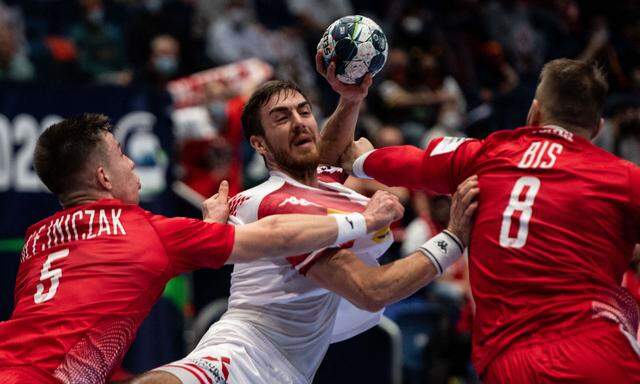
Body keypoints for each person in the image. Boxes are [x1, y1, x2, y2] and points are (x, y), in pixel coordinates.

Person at [131, 69, 478, 383]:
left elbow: (326, 155)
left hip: (291, 370)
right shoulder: (278, 203)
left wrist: (351, 99)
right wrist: (454, 238)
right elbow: (371, 290)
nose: (298, 122)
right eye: (281, 118)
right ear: (259, 145)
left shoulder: (318, 186)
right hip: (244, 353)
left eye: (304, 112)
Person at [0, 113, 402, 384]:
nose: (133, 165)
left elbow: (74, 319)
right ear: (104, 177)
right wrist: (363, 221)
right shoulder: (145, 230)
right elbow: (274, 234)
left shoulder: (36, 240)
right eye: (123, 155)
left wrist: (209, 229)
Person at [338, 58, 640, 382]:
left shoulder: (487, 155)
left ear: (534, 112)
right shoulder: (624, 180)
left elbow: (409, 161)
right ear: (597, 128)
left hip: (509, 365)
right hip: (597, 356)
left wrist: (361, 161)